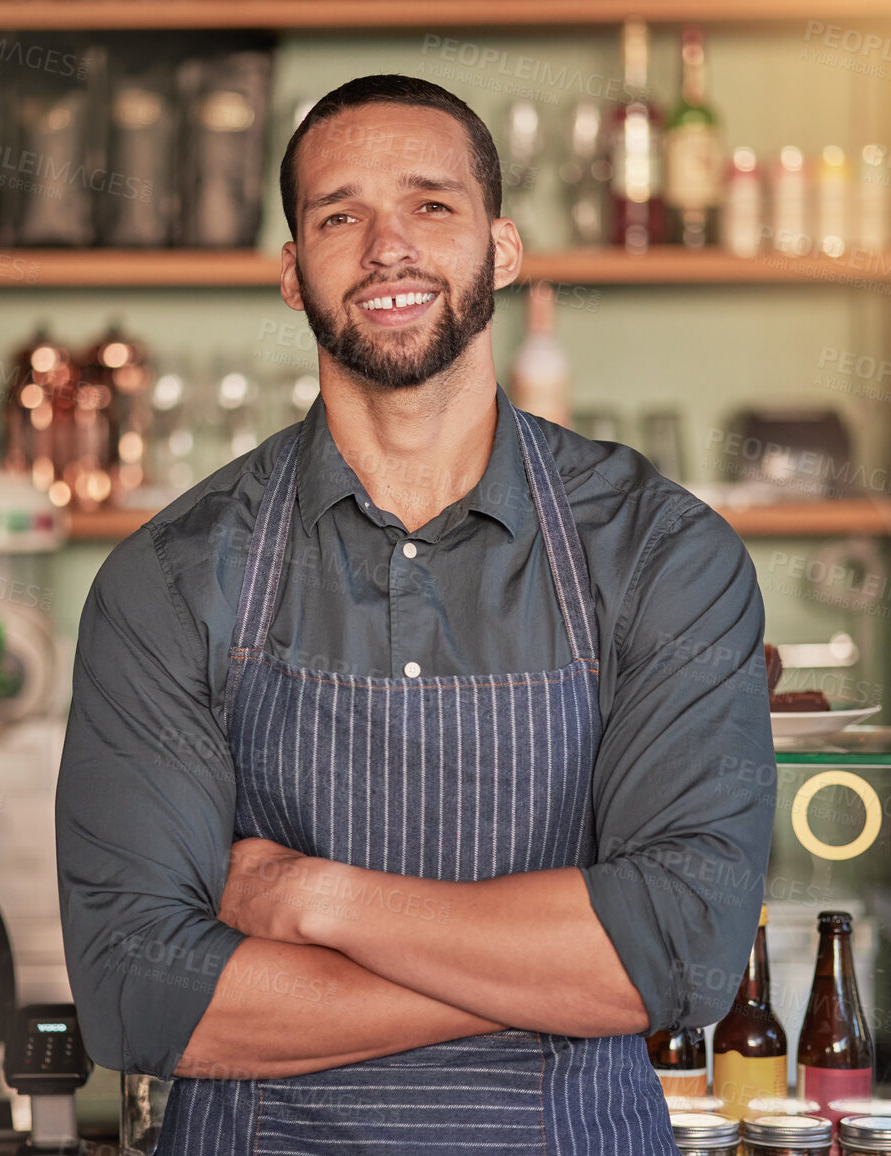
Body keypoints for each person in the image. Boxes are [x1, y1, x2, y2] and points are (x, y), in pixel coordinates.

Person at [55, 74, 775, 1154]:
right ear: (294, 276)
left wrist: (309, 897)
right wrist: (565, 972)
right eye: (339, 215)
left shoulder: (661, 553)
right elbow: (139, 997)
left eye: (429, 206)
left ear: (504, 246)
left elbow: (682, 952)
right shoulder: (171, 578)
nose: (386, 246)